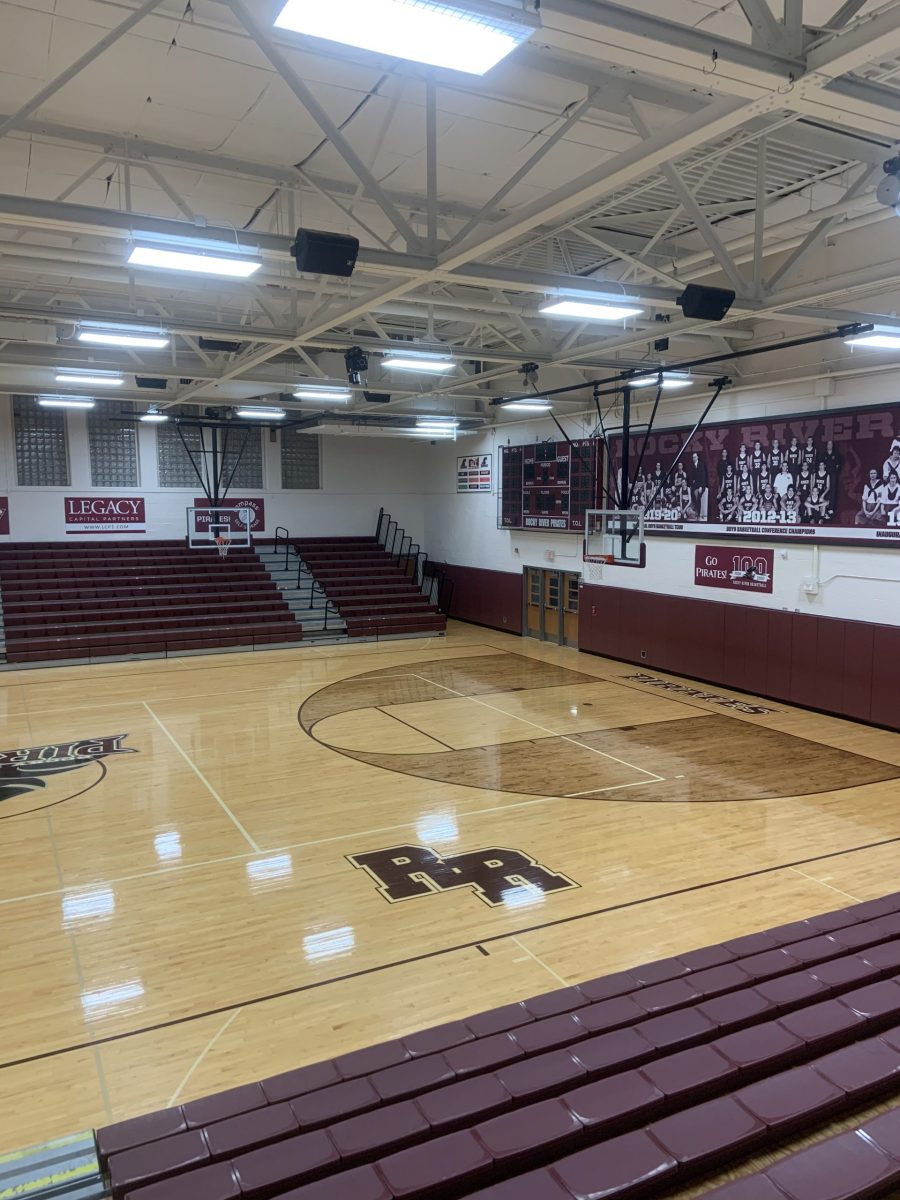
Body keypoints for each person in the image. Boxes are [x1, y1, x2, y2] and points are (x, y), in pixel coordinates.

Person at [688, 451, 709, 520]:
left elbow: (703, 477)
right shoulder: (692, 466)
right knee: (691, 491)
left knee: (698, 497)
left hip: (702, 484)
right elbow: (691, 476)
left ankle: (698, 513)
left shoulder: (701, 464)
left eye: (695, 457)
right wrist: (692, 483)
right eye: (693, 457)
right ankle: (694, 507)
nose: (693, 458)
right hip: (696, 484)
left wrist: (701, 486)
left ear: (697, 457)